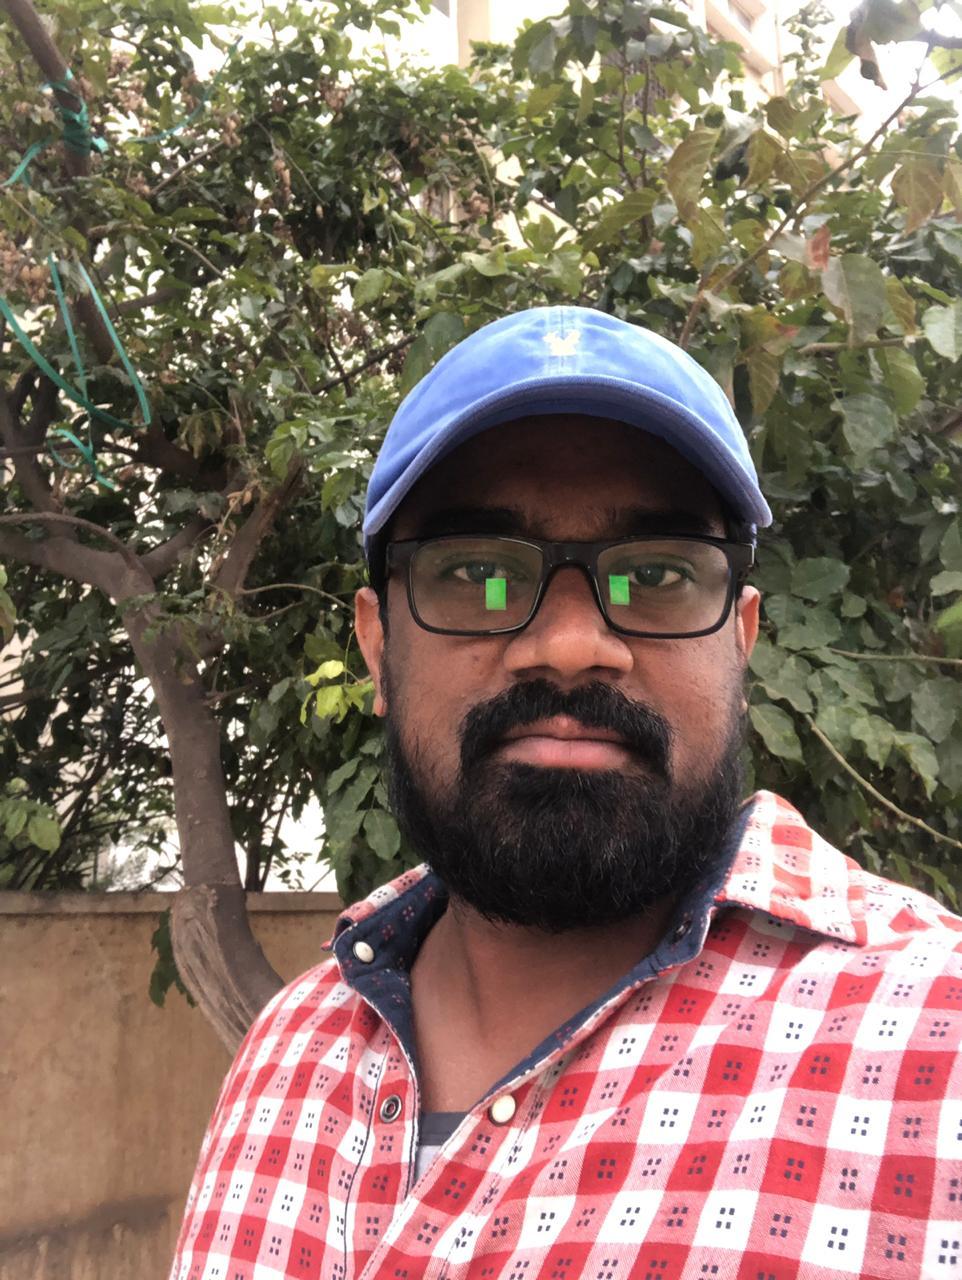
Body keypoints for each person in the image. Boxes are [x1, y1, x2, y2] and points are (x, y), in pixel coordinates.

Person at [170, 307, 962, 1280]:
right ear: (377, 646)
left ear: (741, 642)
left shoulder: (936, 1041)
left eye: (657, 573)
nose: (571, 643)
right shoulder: (285, 1050)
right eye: (478, 573)